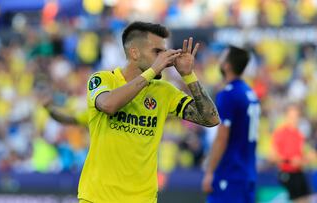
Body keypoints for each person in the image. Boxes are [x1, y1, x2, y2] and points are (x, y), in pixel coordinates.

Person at [78, 21, 220, 203]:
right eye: (157, 52)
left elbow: (211, 119)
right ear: (134, 52)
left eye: (164, 51)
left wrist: (188, 75)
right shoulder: (102, 79)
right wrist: (153, 70)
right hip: (98, 198)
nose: (165, 57)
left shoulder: (164, 91)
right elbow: (108, 105)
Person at [202, 45, 260, 203]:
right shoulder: (250, 93)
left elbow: (222, 137)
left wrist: (210, 171)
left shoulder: (228, 94)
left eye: (221, 58)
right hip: (247, 172)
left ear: (226, 65)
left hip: (230, 172)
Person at [271, 104, 311, 203]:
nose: (294, 119)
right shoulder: (280, 133)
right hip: (287, 173)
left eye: (296, 117)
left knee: (306, 199)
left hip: (298, 173)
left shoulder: (299, 134)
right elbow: (272, 156)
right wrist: (290, 160)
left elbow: (304, 155)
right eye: (291, 117)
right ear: (286, 117)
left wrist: (304, 160)